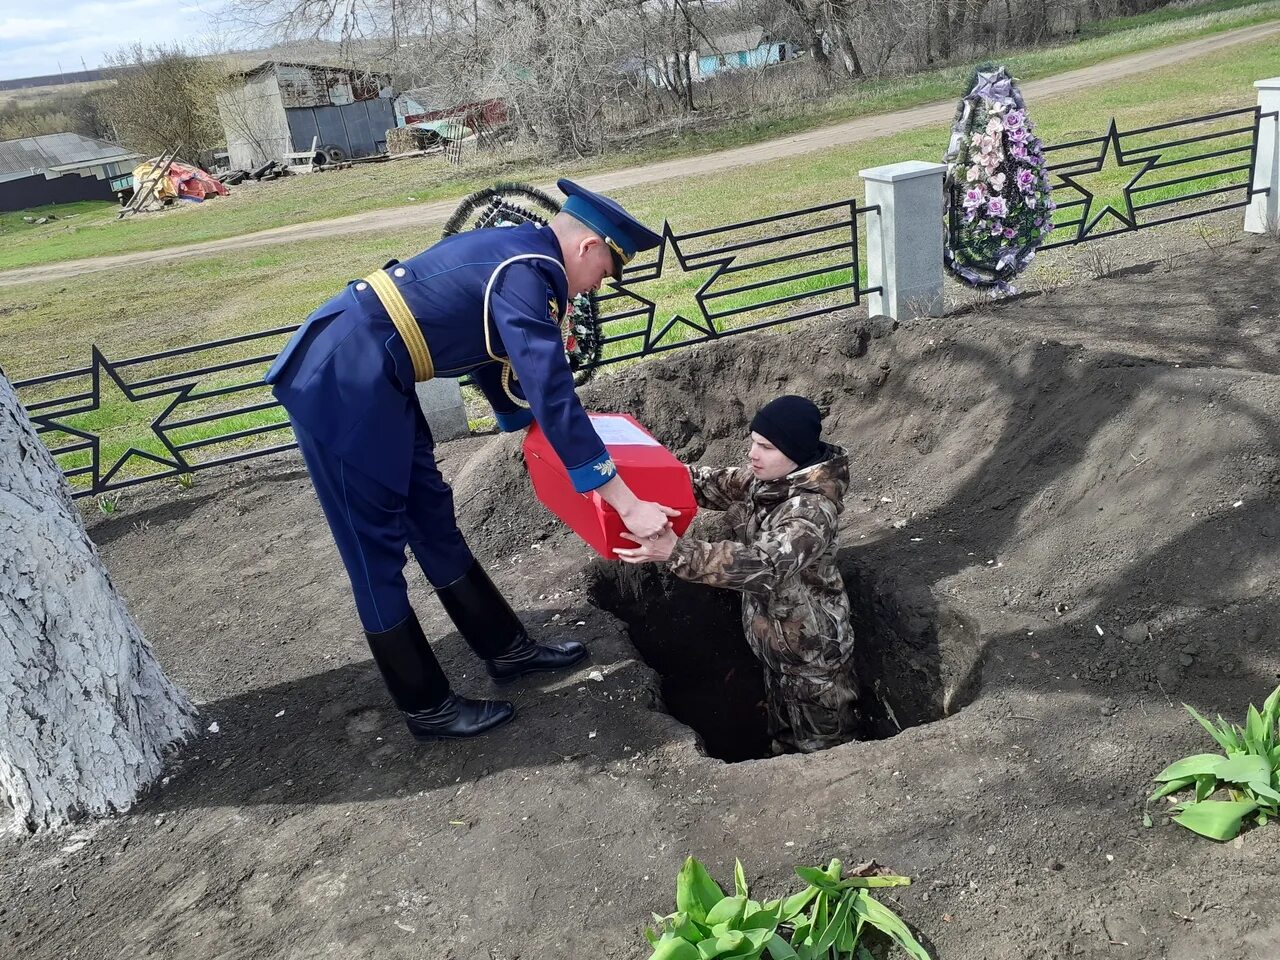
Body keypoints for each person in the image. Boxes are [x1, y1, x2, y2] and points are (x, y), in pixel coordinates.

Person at [266, 179, 678, 742]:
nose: (593, 289)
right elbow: (552, 392)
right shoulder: (528, 272)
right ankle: (427, 707)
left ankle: (506, 651)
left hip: (378, 376)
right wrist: (626, 505)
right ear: (587, 248)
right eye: (604, 273)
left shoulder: (519, 255)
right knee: (375, 552)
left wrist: (524, 432)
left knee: (432, 518)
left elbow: (487, 347)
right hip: (341, 381)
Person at [615, 395, 859, 754]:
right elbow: (707, 482)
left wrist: (677, 551)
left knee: (825, 748)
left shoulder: (811, 512)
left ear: (797, 451)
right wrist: (636, 481)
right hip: (778, 647)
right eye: (753, 441)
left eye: (765, 446)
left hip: (813, 657)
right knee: (784, 731)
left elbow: (764, 564)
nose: (752, 454)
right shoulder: (769, 480)